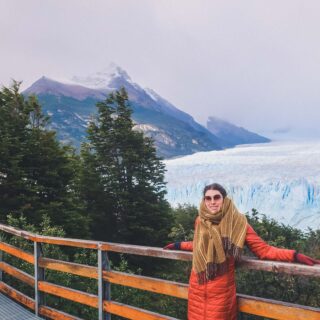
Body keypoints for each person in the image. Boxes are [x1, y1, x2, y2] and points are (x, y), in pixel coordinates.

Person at [164, 183, 320, 320]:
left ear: (224, 199)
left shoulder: (239, 224)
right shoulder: (201, 221)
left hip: (221, 295)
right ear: (204, 201)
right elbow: (200, 245)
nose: (212, 202)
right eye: (208, 198)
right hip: (197, 289)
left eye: (216, 197)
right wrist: (178, 245)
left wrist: (294, 255)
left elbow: (264, 251)